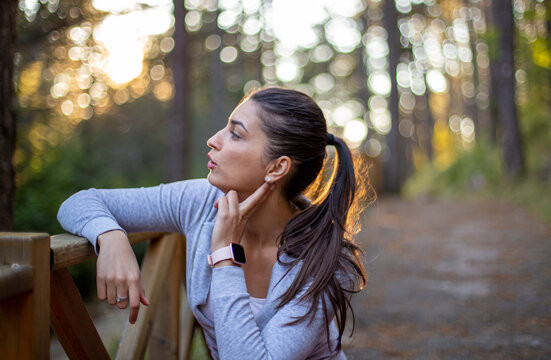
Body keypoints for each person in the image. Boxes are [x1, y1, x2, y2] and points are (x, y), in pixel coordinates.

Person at [57, 87, 370, 359]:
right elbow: (78, 202)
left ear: (277, 168)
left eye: (235, 133)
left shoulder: (322, 260)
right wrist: (110, 236)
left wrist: (224, 256)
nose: (213, 140)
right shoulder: (201, 201)